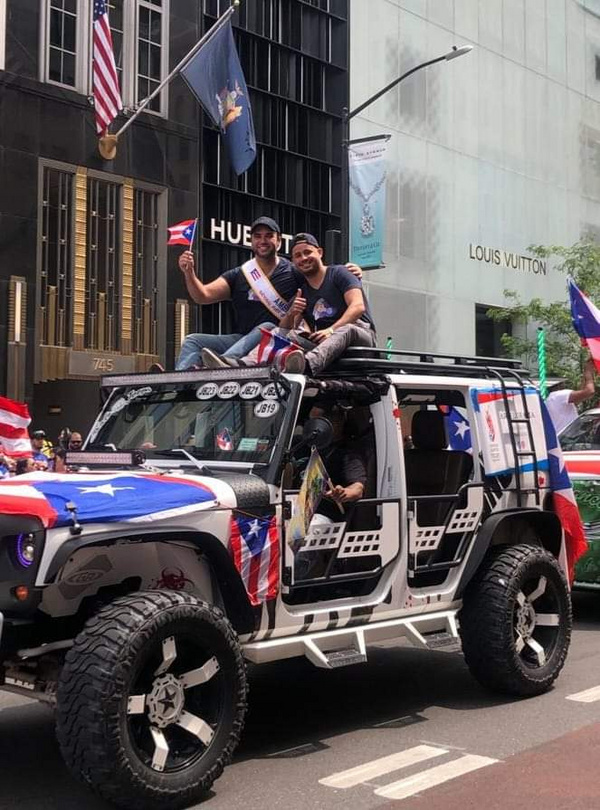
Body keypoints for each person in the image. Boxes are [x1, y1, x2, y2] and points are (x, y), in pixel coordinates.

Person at [169, 218, 363, 371]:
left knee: (267, 327)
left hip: (271, 340)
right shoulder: (240, 274)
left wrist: (351, 272)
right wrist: (189, 273)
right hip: (241, 340)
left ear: (278, 241)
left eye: (269, 235)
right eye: (257, 236)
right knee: (193, 340)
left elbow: (318, 274)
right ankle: (181, 381)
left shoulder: (293, 270)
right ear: (251, 241)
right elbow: (202, 296)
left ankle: (222, 367)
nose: (263, 240)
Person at [218, 232, 376, 374]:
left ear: (320, 252)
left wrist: (331, 330)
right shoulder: (303, 291)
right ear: (293, 261)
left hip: (360, 336)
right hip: (326, 345)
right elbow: (285, 328)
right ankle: (244, 365)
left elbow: (358, 307)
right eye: (298, 255)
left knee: (348, 329)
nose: (304, 258)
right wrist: (292, 312)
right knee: (277, 332)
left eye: (307, 252)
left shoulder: (340, 273)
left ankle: (305, 365)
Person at [546, 358, 595, 434]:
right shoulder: (559, 395)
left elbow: (579, 397)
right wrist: (589, 374)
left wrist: (585, 373)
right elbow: (589, 391)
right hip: (567, 440)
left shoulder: (552, 399)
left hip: (561, 439)